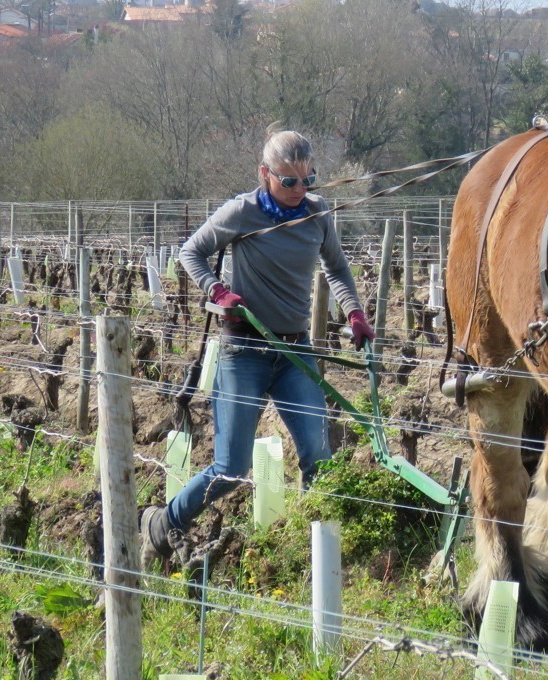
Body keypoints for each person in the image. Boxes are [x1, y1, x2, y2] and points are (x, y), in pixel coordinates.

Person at [141, 129, 375, 567]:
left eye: (308, 179)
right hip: (244, 351)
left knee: (319, 461)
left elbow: (338, 270)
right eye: (289, 181)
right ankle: (163, 523)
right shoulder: (242, 212)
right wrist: (218, 290)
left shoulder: (318, 213)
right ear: (265, 174)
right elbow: (190, 252)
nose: (299, 190)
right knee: (230, 470)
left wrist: (355, 313)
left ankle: (316, 560)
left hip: (293, 354)